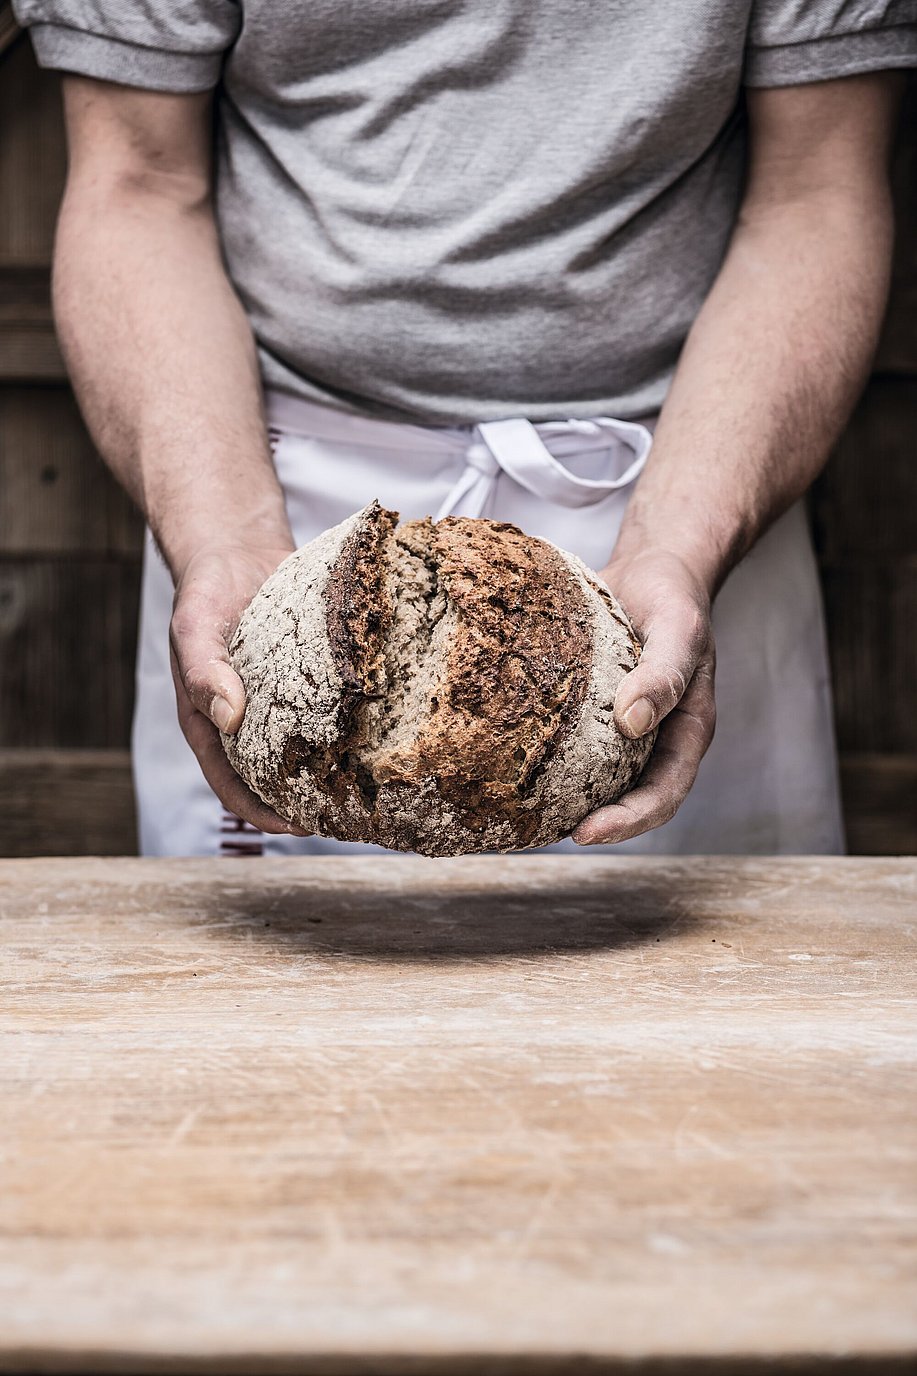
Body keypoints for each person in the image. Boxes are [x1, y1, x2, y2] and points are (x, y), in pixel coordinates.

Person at [14, 1, 916, 857]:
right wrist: (220, 536)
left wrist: (680, 549)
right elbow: (139, 181)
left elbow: (815, 191)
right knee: (275, 1011)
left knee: (689, 1004)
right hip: (275, 538)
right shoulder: (254, 567)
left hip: (695, 485)